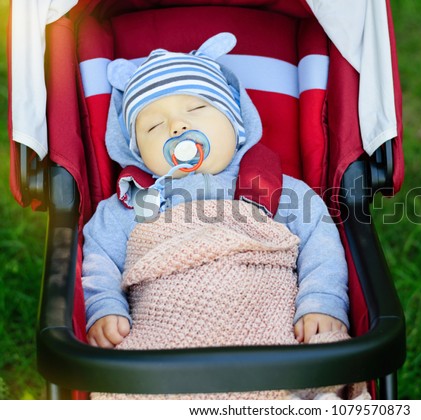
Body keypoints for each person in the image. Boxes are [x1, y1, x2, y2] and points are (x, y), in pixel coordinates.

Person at [82, 33, 349, 352]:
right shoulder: (133, 202)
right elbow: (99, 259)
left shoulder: (277, 188)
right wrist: (105, 307)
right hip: (164, 337)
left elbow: (321, 247)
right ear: (137, 152)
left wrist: (321, 301)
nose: (177, 126)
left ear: (236, 124)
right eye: (153, 126)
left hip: (269, 331)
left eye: (196, 108)